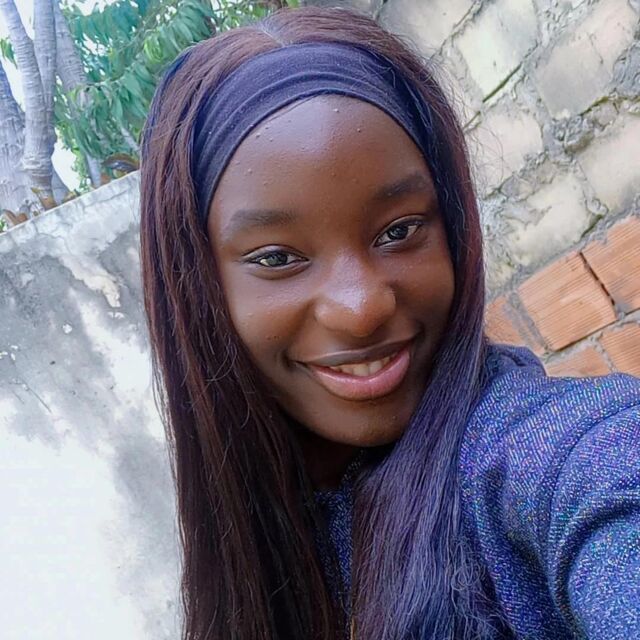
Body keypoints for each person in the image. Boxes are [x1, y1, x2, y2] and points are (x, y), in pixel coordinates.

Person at [139, 6, 640, 640]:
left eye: (399, 231)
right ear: (200, 292)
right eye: (277, 258)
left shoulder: (562, 454)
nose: (362, 308)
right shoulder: (257, 536)